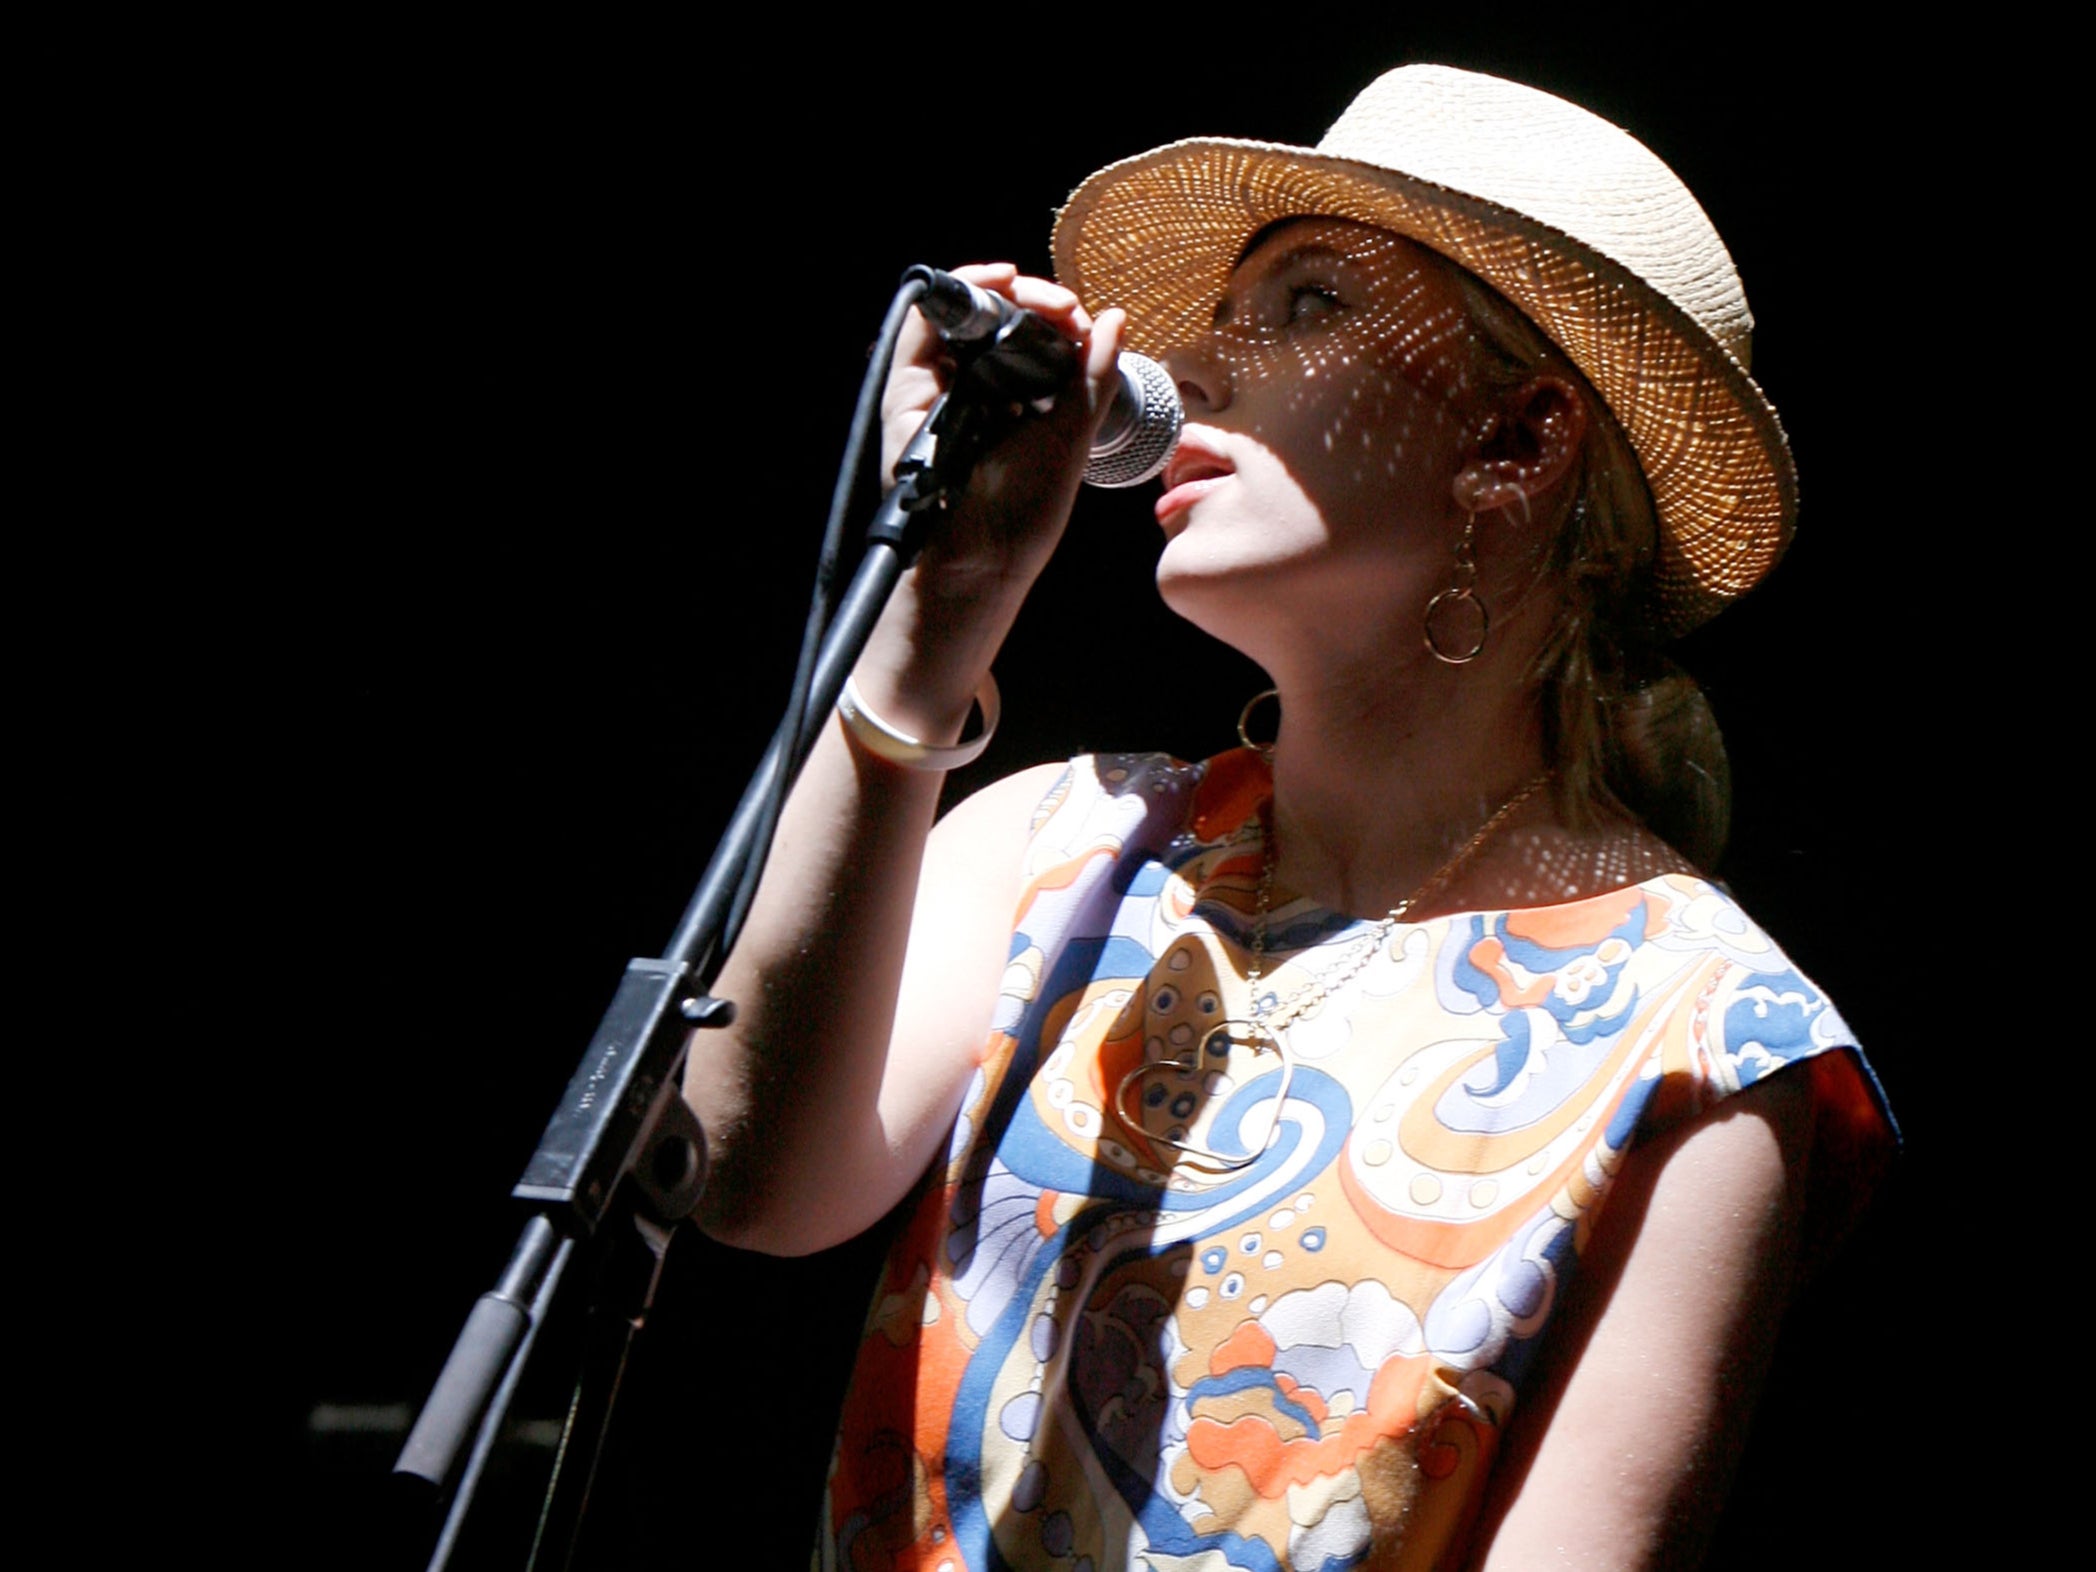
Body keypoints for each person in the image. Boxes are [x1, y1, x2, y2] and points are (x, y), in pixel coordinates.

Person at [684, 65, 1893, 1570]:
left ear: (1518, 443)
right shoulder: (1054, 849)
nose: (1196, 370)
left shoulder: (1707, 1043)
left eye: (1308, 306)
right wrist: (927, 637)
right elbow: (749, 1181)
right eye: (1219, 319)